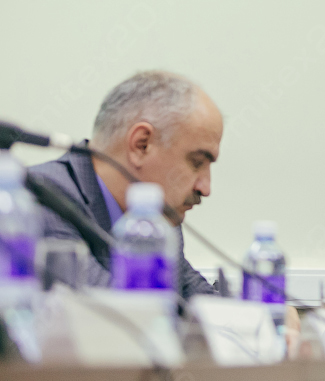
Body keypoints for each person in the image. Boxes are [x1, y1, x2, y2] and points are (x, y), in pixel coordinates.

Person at [29, 70, 222, 299]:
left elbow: (198, 299)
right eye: (197, 162)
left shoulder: (157, 220)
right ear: (141, 144)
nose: (205, 188)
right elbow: (112, 311)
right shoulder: (44, 197)